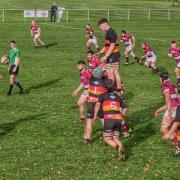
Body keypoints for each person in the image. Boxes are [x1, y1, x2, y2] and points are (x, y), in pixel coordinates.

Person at [94, 79, 127, 160]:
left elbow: (98, 105)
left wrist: (95, 116)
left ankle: (118, 147)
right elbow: (125, 108)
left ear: (104, 87)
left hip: (109, 120)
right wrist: (121, 115)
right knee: (116, 138)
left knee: (107, 139)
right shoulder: (117, 96)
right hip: (118, 119)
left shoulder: (102, 95)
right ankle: (121, 150)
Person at [154, 71, 180, 156]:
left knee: (164, 129)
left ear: (161, 78)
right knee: (175, 128)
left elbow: (168, 100)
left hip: (172, 109)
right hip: (177, 108)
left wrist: (168, 112)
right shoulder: (173, 85)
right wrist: (159, 110)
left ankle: (178, 147)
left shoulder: (164, 87)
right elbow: (175, 99)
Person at [97, 18, 122, 92]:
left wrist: (106, 56)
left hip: (112, 55)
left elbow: (112, 45)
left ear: (104, 24)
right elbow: (107, 45)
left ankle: (111, 90)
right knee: (115, 72)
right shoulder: (109, 32)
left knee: (110, 73)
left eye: (100, 26)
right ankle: (119, 90)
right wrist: (100, 52)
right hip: (114, 55)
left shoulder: (110, 32)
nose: (100, 28)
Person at [84, 67, 106, 144]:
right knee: (104, 122)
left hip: (90, 104)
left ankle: (88, 138)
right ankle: (106, 138)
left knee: (89, 121)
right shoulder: (104, 82)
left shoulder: (91, 80)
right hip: (100, 104)